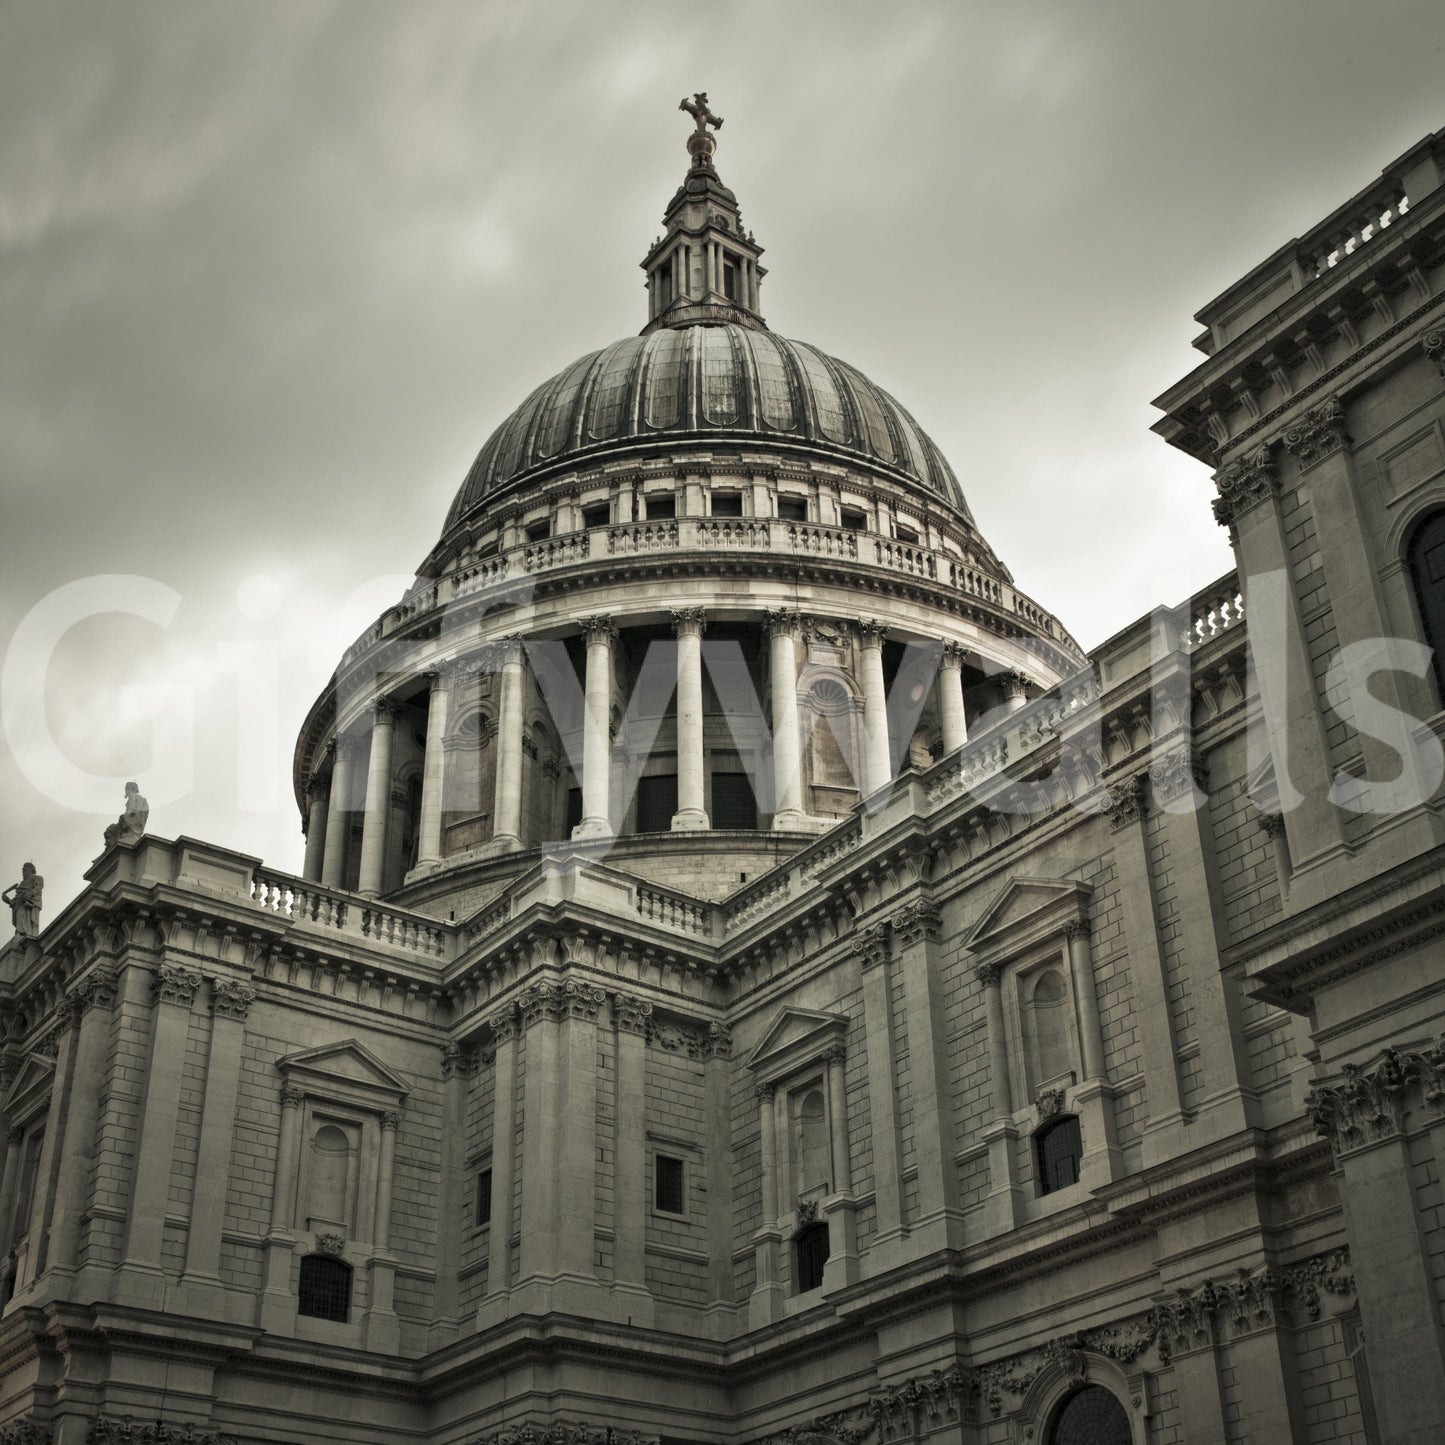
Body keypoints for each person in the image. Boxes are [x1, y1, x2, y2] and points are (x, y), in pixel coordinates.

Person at [103, 781, 149, 849]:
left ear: (130, 789)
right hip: (133, 823)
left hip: (132, 825)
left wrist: (125, 816)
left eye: (126, 788)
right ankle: (109, 848)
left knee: (111, 829)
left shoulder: (133, 796)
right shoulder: (138, 798)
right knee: (111, 829)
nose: (125, 790)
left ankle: (109, 848)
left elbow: (130, 811)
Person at [2, 863, 42, 939]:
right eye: (23, 870)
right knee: (20, 915)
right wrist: (7, 899)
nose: (23, 871)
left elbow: (39, 886)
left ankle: (24, 933)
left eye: (25, 869)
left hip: (31, 901)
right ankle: (21, 933)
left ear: (31, 870)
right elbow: (15, 900)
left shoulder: (37, 878)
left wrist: (31, 893)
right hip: (20, 902)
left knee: (23, 915)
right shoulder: (21, 884)